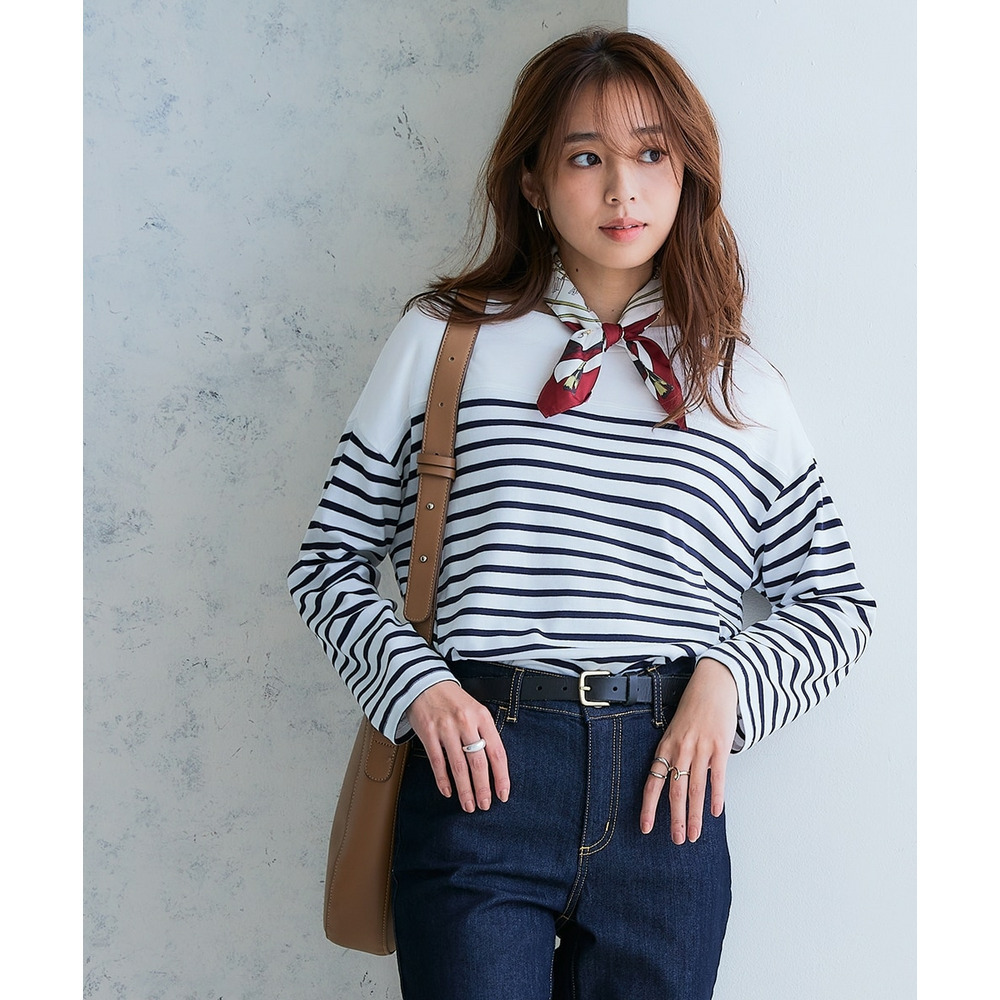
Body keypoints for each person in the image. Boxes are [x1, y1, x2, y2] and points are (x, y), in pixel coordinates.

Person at [288, 27, 875, 1000]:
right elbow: (329, 561)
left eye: (650, 153)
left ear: (686, 172)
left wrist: (729, 678)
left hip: (666, 799)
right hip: (480, 777)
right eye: (585, 158)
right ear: (531, 178)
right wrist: (418, 688)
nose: (621, 191)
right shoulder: (446, 341)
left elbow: (838, 606)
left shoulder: (739, 385)